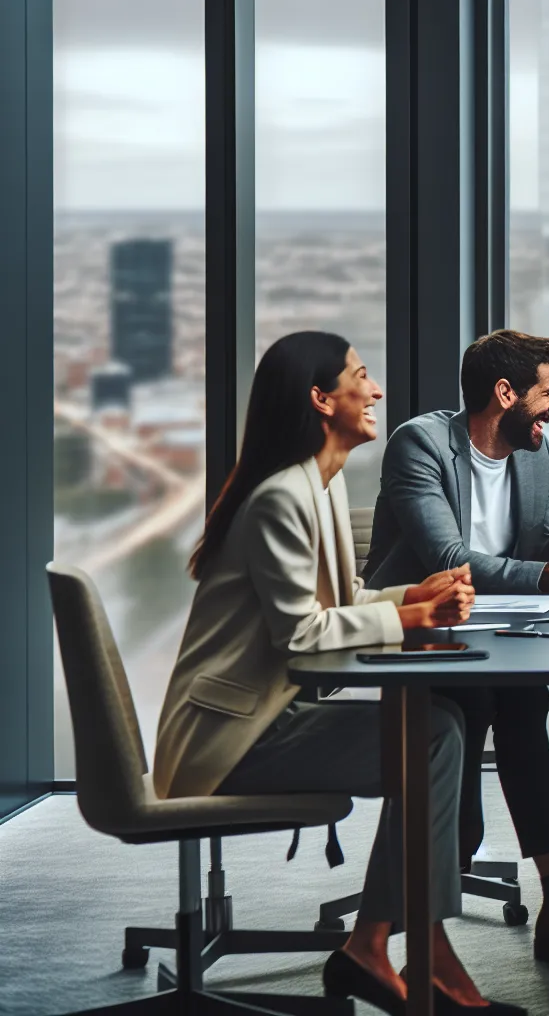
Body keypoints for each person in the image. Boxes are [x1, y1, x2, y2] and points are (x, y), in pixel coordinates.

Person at [153, 331, 522, 1014]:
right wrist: (409, 620)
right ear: (322, 399)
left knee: (437, 727)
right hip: (229, 740)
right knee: (436, 732)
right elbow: (302, 636)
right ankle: (403, 951)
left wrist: (410, 597)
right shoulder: (280, 498)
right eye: (360, 376)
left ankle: (385, 946)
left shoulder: (315, 485)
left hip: (262, 719)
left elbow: (340, 604)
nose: (376, 390)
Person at [365, 329, 549, 971]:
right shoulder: (421, 444)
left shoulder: (534, 452)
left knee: (521, 702)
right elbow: (449, 560)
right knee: (488, 713)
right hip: (421, 628)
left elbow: (538, 560)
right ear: (506, 393)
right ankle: (530, 907)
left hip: (497, 633)